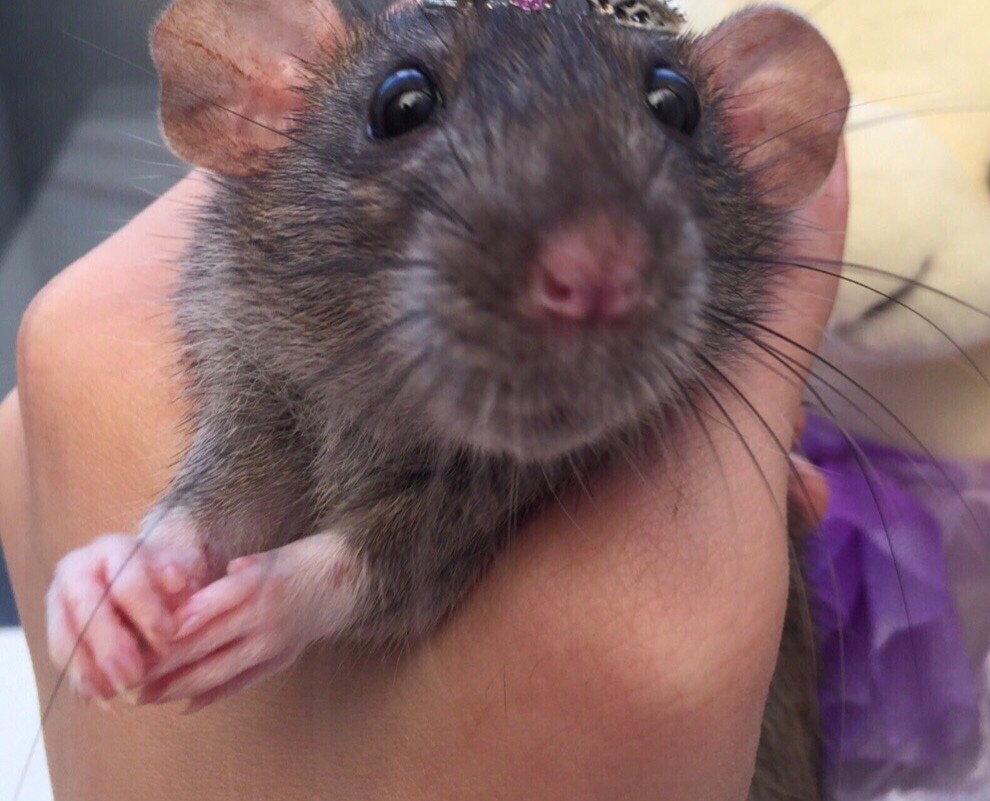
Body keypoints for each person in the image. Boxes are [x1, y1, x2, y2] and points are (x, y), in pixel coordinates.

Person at [0, 135, 843, 799]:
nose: (585, 267)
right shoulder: (270, 278)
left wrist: (301, 590)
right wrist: (157, 554)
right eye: (407, 110)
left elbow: (463, 517)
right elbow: (253, 452)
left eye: (667, 114)